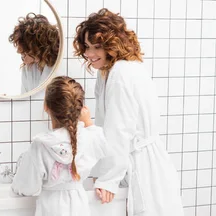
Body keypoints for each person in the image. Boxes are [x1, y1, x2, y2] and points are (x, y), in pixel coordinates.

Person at [73, 8, 185, 216]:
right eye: (87, 47)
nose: (89, 54)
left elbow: (120, 129)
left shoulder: (121, 73)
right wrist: (100, 172)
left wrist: (108, 179)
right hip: (136, 161)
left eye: (96, 47)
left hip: (144, 166)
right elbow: (107, 128)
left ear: (111, 45)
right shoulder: (108, 71)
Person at [11, 76, 128, 216]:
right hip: (80, 206)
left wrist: (16, 186)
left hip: (51, 208)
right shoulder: (89, 137)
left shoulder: (41, 144)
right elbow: (103, 144)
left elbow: (27, 187)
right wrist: (88, 122)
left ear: (46, 107)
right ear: (79, 108)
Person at [9, 13, 60, 94]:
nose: (18, 51)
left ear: (36, 49)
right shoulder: (28, 69)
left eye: (24, 54)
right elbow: (25, 98)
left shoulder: (58, 67)